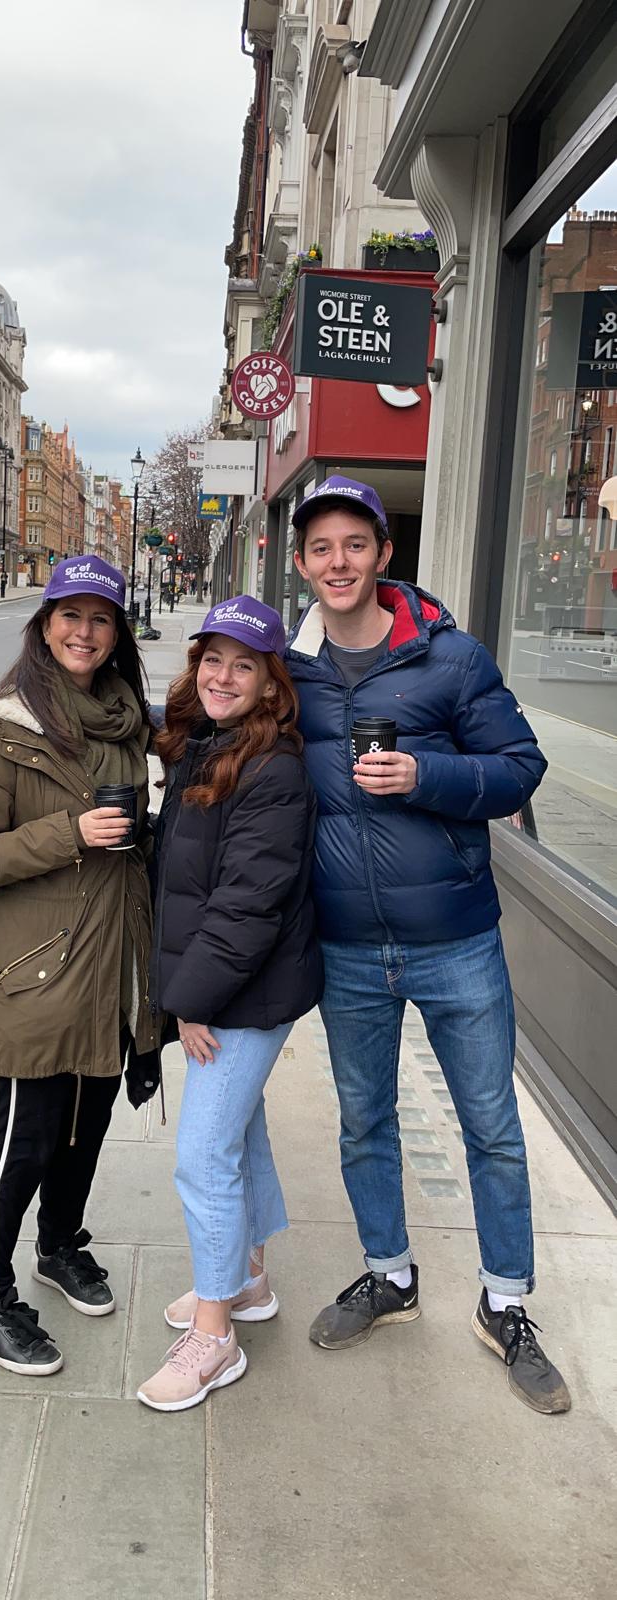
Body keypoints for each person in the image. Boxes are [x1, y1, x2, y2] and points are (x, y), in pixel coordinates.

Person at [285, 474, 570, 1415]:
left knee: (491, 1128)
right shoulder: (291, 669)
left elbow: (521, 768)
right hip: (347, 946)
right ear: (302, 563)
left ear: (382, 554)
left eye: (353, 545)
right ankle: (390, 1274)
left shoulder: (449, 656)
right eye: (321, 548)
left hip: (456, 940)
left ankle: (506, 1303)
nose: (338, 563)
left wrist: (424, 774)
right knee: (365, 1123)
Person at [0, 554, 158, 1377]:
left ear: (117, 634)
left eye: (100, 618)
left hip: (112, 963)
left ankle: (60, 1243)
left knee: (87, 1125)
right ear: (43, 627)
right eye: (70, 615)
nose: (84, 631)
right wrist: (69, 833)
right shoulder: (3, 728)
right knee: (23, 1139)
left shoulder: (125, 719)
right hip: (36, 969)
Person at [137, 597, 322, 1413]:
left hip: (242, 993)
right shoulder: (207, 744)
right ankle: (246, 1279)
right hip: (231, 985)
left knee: (204, 1155)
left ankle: (215, 1337)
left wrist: (188, 1003)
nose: (223, 676)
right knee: (240, 1132)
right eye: (212, 659)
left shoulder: (271, 769)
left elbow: (248, 906)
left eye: (243, 665)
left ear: (271, 684)